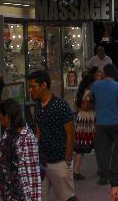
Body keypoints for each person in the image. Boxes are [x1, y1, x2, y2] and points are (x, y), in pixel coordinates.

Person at [27, 70, 77, 200]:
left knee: (67, 197)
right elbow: (38, 132)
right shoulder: (37, 106)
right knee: (37, 197)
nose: (30, 90)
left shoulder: (61, 105)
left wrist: (67, 161)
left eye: (33, 86)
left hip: (59, 161)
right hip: (42, 161)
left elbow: (70, 135)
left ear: (44, 85)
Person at [0, 99, 42, 200]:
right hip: (8, 194)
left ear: (7, 116)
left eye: (1, 115)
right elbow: (1, 165)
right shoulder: (7, 134)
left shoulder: (27, 138)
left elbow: (34, 176)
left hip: (22, 196)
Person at [91, 64, 118, 185]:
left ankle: (104, 175)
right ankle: (117, 175)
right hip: (116, 122)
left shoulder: (95, 85)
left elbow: (92, 99)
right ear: (115, 74)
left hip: (100, 122)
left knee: (102, 151)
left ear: (104, 73)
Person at [73, 85, 96, 181]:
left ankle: (76, 170)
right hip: (88, 117)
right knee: (90, 142)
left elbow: (76, 104)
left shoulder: (79, 91)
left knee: (80, 146)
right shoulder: (88, 92)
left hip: (81, 116)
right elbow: (88, 105)